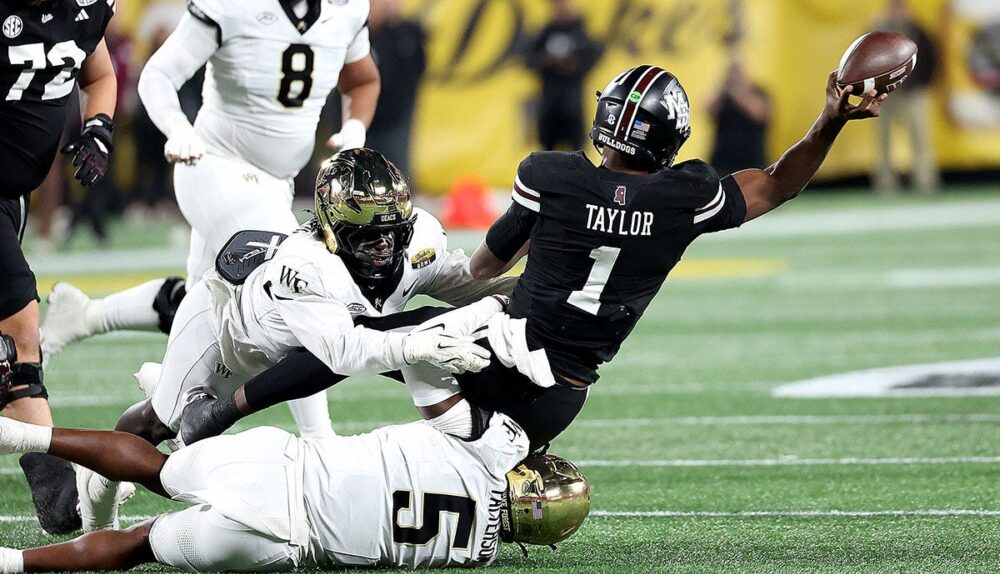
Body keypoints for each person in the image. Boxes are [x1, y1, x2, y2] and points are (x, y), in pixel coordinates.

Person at [192, 65, 887, 451]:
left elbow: (485, 269)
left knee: (370, 334)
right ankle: (506, 466)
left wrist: (530, 261)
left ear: (606, 121)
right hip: (563, 396)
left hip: (499, 357)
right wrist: (830, 119)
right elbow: (777, 183)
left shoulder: (552, 176)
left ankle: (224, 410)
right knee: (402, 348)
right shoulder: (688, 195)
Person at [76, 148, 515, 532]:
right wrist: (414, 345)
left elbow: (458, 282)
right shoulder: (307, 265)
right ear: (331, 229)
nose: (383, 246)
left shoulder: (418, 238)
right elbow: (342, 353)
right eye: (365, 235)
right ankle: (96, 489)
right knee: (160, 425)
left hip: (307, 348)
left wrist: (527, 291)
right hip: (225, 337)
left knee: (429, 336)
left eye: (391, 231)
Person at [41, 0, 383, 442]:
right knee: (293, 285)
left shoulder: (346, 9)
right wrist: (177, 127)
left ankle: (89, 318)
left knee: (207, 305)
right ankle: (319, 439)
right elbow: (158, 74)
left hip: (275, 182)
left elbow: (363, 80)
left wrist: (355, 128)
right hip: (215, 164)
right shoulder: (234, 5)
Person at [0, 410, 590, 573]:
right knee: (139, 544)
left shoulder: (495, 448)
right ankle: (12, 563)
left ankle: (24, 434)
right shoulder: (478, 554)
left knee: (157, 468)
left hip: (286, 466)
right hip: (277, 540)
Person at [1, 0, 119, 534]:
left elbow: (99, 75)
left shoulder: (82, 9)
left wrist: (99, 127)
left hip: (11, 194)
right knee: (19, 336)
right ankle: (57, 492)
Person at [872, 0, 939, 195]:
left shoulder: (917, 30)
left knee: (919, 136)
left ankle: (925, 180)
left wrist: (923, 83)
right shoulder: (877, 32)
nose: (898, 13)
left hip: (912, 92)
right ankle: (885, 182)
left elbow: (931, 56)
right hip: (885, 95)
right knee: (883, 139)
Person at [526, 0, 602, 151]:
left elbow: (594, 55)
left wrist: (574, 66)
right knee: (547, 152)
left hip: (572, 104)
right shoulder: (546, 31)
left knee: (576, 153)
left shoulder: (580, 31)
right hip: (549, 105)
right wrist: (548, 62)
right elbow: (530, 60)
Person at [365, 0, 426, 178]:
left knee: (395, 174)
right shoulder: (355, 36)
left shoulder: (403, 35)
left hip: (394, 121)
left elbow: (417, 66)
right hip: (362, 119)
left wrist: (398, 23)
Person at [707, 60, 771, 177]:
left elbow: (758, 113)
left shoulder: (758, 92)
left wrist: (737, 90)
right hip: (722, 162)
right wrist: (721, 86)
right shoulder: (724, 95)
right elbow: (707, 109)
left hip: (751, 161)